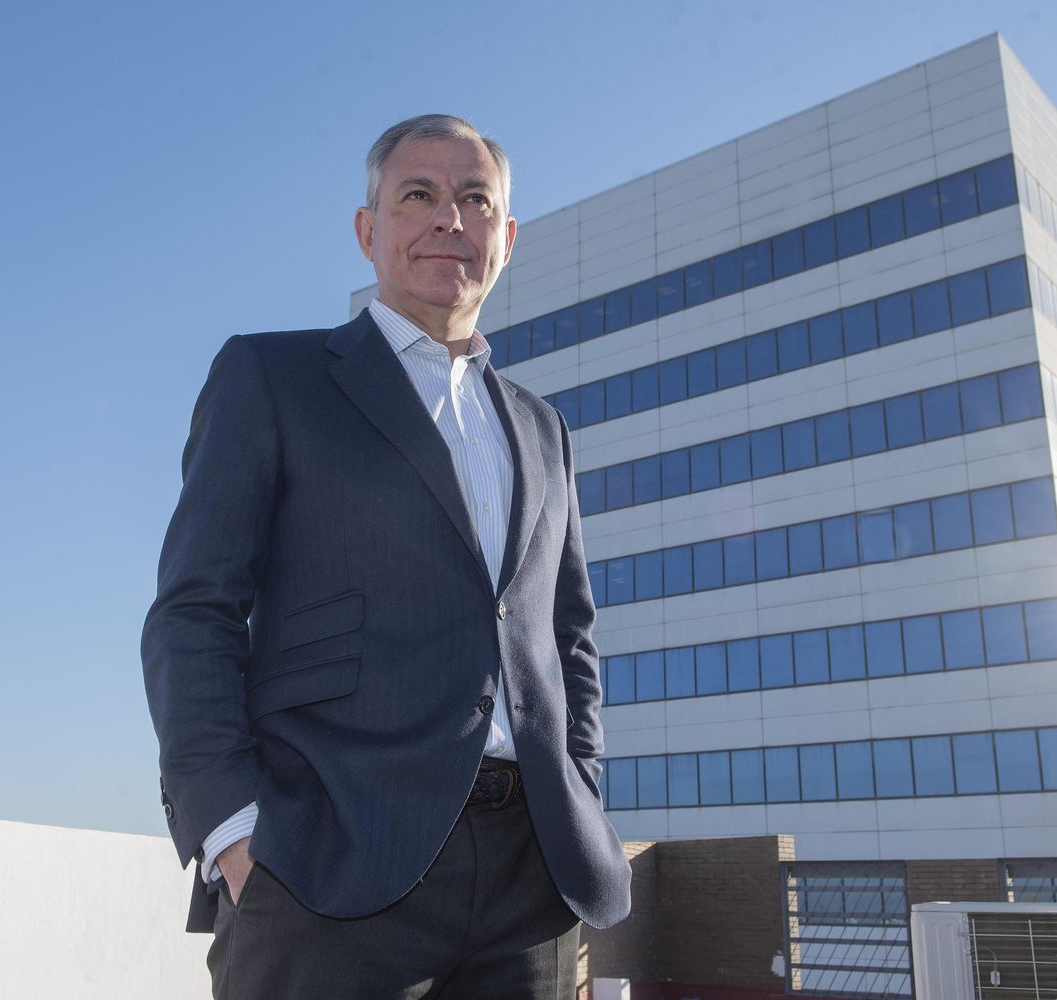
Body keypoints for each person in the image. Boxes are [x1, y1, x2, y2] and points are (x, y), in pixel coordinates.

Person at [142, 113, 631, 1000]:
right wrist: (236, 834)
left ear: (506, 238)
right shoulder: (271, 379)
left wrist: (581, 791)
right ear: (369, 232)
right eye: (419, 195)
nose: (450, 218)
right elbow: (194, 612)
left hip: (532, 880)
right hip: (327, 868)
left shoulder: (543, 428)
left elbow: (569, 638)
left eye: (475, 200)